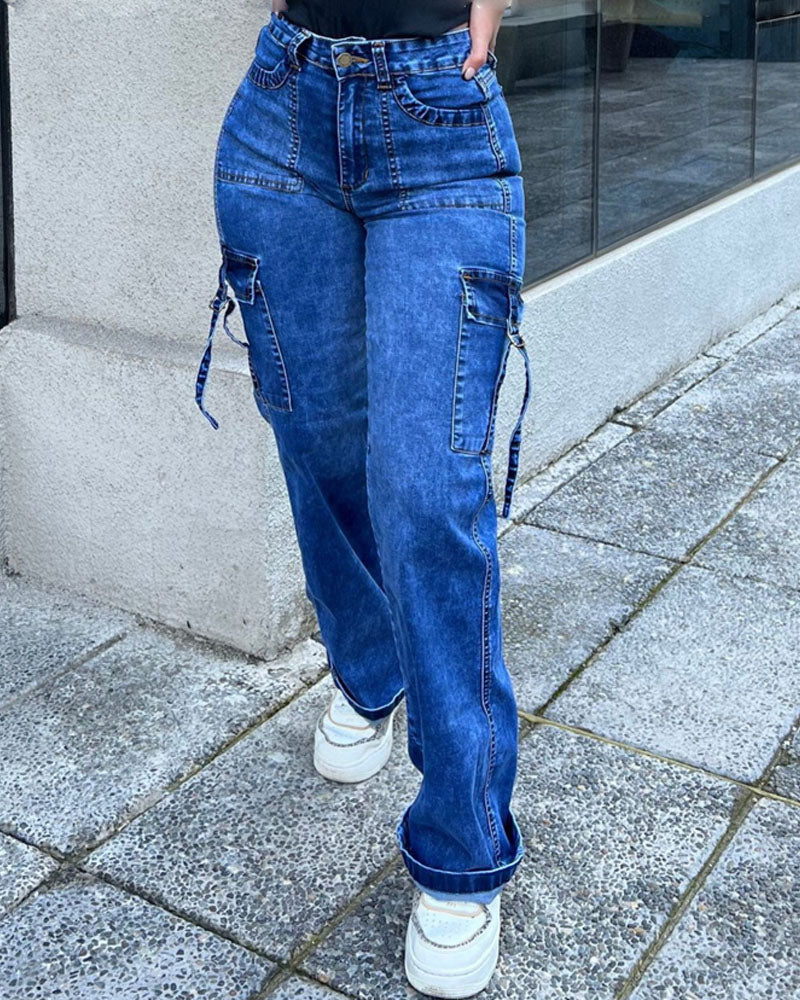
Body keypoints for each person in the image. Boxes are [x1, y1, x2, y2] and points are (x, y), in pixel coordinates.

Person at [194, 1, 530, 995]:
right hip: (284, 105)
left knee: (425, 489)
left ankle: (462, 845)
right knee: (314, 434)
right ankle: (372, 663)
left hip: (440, 119)